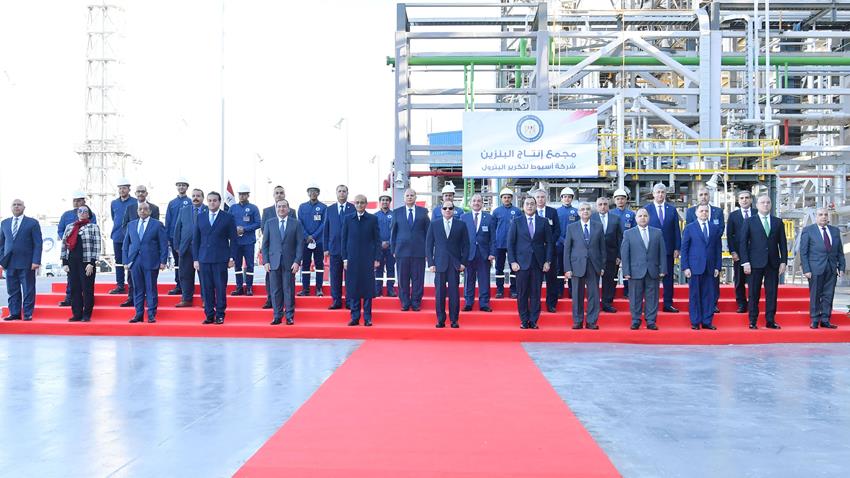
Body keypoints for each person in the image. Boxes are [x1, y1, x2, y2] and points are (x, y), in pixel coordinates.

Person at [740, 195, 787, 329]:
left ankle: (770, 320)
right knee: (753, 293)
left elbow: (782, 243)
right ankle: (752, 320)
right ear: (757, 205)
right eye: (762, 202)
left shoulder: (778, 222)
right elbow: (743, 243)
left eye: (768, 202)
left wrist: (783, 261)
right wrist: (745, 262)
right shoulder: (749, 221)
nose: (765, 204)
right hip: (754, 263)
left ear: (771, 204)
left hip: (773, 263)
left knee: (772, 293)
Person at [507, 197, 553, 329]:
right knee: (522, 293)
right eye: (527, 204)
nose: (530, 206)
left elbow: (549, 243)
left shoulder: (543, 221)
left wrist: (547, 261)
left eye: (532, 204)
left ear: (536, 206)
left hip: (538, 263)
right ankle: (523, 320)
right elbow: (510, 243)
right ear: (523, 206)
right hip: (521, 264)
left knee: (535, 293)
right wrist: (512, 261)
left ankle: (533, 320)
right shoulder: (516, 221)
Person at [193, 192, 238, 325]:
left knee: (220, 288)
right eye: (210, 200)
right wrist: (195, 259)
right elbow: (196, 239)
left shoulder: (228, 217)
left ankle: (220, 314)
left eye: (214, 200)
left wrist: (232, 257)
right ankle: (209, 314)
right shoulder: (200, 217)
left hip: (221, 258)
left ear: (219, 202)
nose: (212, 203)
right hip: (204, 258)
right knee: (206, 288)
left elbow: (234, 239)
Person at [123, 202, 168, 323]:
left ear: (150, 211)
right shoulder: (131, 225)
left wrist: (163, 261)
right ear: (137, 211)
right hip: (135, 261)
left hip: (151, 260)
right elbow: (126, 244)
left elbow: (163, 244)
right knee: (137, 288)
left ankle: (151, 314)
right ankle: (138, 314)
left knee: (151, 288)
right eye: (140, 209)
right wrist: (125, 261)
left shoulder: (157, 225)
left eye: (145, 209)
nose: (142, 211)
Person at [799, 207, 845, 329]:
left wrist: (841, 267)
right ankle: (814, 319)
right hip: (815, 269)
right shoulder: (808, 230)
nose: (823, 217)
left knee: (828, 295)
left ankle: (825, 319)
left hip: (831, 268)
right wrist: (806, 269)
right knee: (815, 294)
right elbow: (803, 252)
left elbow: (840, 252)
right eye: (820, 214)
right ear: (816, 217)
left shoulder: (835, 231)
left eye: (825, 214)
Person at [621, 209, 666, 330]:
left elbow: (662, 252)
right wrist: (626, 271)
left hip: (653, 270)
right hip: (635, 271)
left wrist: (663, 269)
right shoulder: (628, 233)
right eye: (640, 216)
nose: (643, 218)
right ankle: (636, 320)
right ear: (636, 219)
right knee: (635, 297)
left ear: (649, 218)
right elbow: (625, 254)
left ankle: (651, 321)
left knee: (652, 296)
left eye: (645, 215)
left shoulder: (657, 233)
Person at [426, 200, 469, 328]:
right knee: (439, 294)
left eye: (450, 208)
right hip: (439, 264)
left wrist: (463, 263)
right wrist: (431, 263)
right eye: (445, 208)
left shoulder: (461, 225)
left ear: (454, 210)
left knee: (454, 294)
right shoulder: (434, 224)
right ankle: (440, 320)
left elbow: (466, 245)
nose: (448, 210)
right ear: (441, 210)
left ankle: (454, 320)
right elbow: (429, 245)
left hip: (455, 264)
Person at [564, 202, 606, 330]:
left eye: (587, 209)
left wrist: (602, 266)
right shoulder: (571, 227)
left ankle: (591, 321)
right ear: (578, 212)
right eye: (582, 209)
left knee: (594, 294)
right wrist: (567, 268)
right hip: (577, 265)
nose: (585, 211)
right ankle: (577, 320)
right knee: (577, 294)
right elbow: (567, 249)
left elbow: (602, 248)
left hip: (594, 265)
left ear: (591, 212)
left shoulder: (598, 227)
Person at [261, 199, 303, 325]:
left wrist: (297, 261)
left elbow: (300, 244)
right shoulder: (269, 223)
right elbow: (265, 245)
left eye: (284, 206)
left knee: (288, 290)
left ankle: (289, 316)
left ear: (288, 209)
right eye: (279, 207)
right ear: (276, 208)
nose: (281, 209)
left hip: (290, 263)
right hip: (273, 262)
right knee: (275, 290)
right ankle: (277, 316)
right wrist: (265, 261)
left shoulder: (296, 224)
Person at [681, 204, 723, 330]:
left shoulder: (714, 228)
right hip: (694, 267)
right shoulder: (689, 228)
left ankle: (707, 321)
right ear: (696, 213)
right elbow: (684, 248)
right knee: (695, 295)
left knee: (709, 296)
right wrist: (685, 267)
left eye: (706, 211)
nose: (704, 213)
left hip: (710, 267)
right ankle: (695, 321)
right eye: (701, 211)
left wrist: (718, 267)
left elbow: (718, 248)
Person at [0, 199, 42, 321]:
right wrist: (2, 260)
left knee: (28, 289)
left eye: (19, 205)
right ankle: (14, 313)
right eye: (14, 205)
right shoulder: (4, 223)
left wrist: (36, 261)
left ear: (24, 207)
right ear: (11, 207)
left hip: (27, 263)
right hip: (9, 263)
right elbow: (1, 244)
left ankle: (28, 313)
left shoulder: (32, 223)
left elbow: (38, 243)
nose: (16, 206)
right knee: (12, 289)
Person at [342, 195, 381, 326]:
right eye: (357, 202)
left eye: (362, 203)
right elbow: (343, 240)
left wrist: (377, 258)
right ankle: (355, 317)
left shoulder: (372, 219)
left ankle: (368, 318)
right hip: (352, 259)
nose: (359, 205)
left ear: (366, 204)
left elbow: (377, 240)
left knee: (368, 289)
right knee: (353, 288)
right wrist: (345, 258)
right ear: (354, 204)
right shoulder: (348, 219)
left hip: (368, 259)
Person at [685, 186, 725, 313]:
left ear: (709, 196)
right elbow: (688, 236)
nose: (703, 197)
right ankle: (698, 312)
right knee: (696, 289)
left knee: (713, 285)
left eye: (706, 194)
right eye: (701, 194)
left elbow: (720, 230)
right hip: (696, 258)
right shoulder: (690, 212)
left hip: (711, 254)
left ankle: (713, 305)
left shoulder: (718, 211)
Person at [120, 185, 160, 308]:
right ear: (135, 193)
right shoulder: (130, 207)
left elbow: (155, 228)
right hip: (133, 251)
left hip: (148, 252)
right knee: (132, 278)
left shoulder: (154, 208)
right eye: (138, 191)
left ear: (146, 193)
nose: (141, 193)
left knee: (150, 282)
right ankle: (131, 298)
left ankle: (149, 304)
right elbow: (125, 226)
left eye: (143, 191)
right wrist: (133, 240)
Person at [643, 183, 681, 313]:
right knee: (650, 277)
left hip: (668, 249)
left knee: (668, 277)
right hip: (651, 249)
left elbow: (676, 229)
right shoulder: (646, 209)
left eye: (662, 192)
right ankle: (649, 304)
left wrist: (677, 247)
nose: (660, 194)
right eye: (658, 192)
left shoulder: (672, 209)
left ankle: (668, 304)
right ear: (653, 194)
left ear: (665, 194)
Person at [60, 205, 101, 322]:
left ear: (89, 214)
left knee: (87, 288)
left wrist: (92, 262)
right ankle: (76, 314)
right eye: (80, 211)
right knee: (74, 288)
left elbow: (97, 246)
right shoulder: (70, 226)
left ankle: (87, 314)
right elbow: (64, 244)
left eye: (85, 211)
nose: (82, 213)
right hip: (72, 262)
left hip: (86, 262)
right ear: (77, 213)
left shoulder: (93, 227)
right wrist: (64, 262)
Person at [391, 188, 429, 311]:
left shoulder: (423, 212)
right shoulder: (397, 212)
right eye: (407, 195)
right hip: (401, 251)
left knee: (418, 279)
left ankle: (416, 302)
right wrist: (393, 250)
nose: (409, 197)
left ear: (415, 197)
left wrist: (428, 251)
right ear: (404, 197)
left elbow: (428, 233)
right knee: (403, 279)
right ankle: (405, 302)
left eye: (412, 195)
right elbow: (393, 233)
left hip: (419, 251)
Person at [57, 191, 97, 306]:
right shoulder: (66, 215)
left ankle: (86, 301)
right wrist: (68, 240)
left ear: (84, 201)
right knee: (71, 276)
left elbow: (93, 232)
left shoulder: (90, 214)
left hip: (85, 251)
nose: (76, 203)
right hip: (71, 250)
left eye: (79, 200)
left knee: (86, 278)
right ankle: (69, 298)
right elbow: (60, 230)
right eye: (74, 200)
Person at [260, 186, 295, 308]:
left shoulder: (292, 211)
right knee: (271, 278)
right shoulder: (267, 211)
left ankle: (287, 302)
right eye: (277, 193)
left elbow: (294, 231)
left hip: (287, 252)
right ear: (273, 195)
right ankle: (270, 300)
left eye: (281, 193)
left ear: (284, 194)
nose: (279, 195)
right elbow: (263, 229)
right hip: (272, 251)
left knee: (287, 281)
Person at [173, 189, 207, 307]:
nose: (195, 198)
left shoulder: (208, 210)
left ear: (203, 198)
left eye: (198, 196)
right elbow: (177, 228)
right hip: (186, 248)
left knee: (204, 276)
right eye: (193, 196)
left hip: (202, 249)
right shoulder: (183, 210)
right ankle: (186, 299)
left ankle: (206, 300)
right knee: (185, 275)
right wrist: (177, 246)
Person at [324, 184, 356, 310]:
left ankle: (349, 301)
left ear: (347, 193)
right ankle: (336, 300)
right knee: (335, 276)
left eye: (344, 191)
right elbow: (326, 229)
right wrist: (326, 248)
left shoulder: (353, 208)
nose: (342, 193)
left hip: (350, 249)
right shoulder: (330, 209)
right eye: (339, 191)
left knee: (350, 277)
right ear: (336, 193)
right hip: (334, 248)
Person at [461, 193, 494, 312]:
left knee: (484, 279)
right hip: (468, 253)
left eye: (479, 201)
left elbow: (493, 238)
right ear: (470, 203)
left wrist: (492, 253)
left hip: (484, 254)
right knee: (468, 278)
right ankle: (468, 302)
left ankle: (484, 303)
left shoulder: (489, 218)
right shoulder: (464, 217)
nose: (476, 203)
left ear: (482, 203)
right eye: (474, 201)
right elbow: (460, 238)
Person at [591, 196, 622, 313]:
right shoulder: (591, 218)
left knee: (609, 280)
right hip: (594, 255)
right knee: (592, 280)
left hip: (611, 255)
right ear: (596, 206)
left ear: (609, 206)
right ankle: (593, 304)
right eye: (600, 204)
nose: (603, 207)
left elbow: (620, 238)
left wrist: (619, 255)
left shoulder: (616, 219)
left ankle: (607, 303)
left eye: (605, 204)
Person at [228, 184, 261, 296]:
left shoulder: (253, 208)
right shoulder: (233, 208)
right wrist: (234, 230)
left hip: (248, 241)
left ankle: (249, 287)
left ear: (248, 195)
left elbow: (258, 223)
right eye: (240, 194)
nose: (242, 196)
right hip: (236, 241)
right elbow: (228, 222)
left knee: (250, 265)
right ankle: (239, 287)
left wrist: (244, 229)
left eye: (244, 194)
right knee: (237, 265)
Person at [726, 190, 754, 313]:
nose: (744, 200)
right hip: (739, 253)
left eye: (747, 197)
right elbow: (729, 235)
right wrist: (732, 251)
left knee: (754, 280)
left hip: (755, 253)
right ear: (738, 200)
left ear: (751, 200)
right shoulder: (733, 215)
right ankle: (741, 304)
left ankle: (753, 303)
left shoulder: (757, 213)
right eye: (742, 198)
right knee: (739, 280)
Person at [490, 188, 521, 299]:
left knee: (514, 268)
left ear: (511, 198)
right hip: (500, 244)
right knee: (499, 268)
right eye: (504, 197)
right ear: (501, 199)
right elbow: (492, 229)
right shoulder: (496, 211)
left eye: (508, 197)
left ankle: (514, 290)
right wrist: (493, 244)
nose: (506, 199)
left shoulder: (517, 211)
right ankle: (499, 290)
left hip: (514, 244)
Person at [533, 188, 561, 313]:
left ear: (546, 198)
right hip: (535, 252)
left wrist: (549, 242)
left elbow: (557, 230)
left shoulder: (552, 212)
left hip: (550, 250)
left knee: (551, 279)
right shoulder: (530, 211)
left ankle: (551, 304)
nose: (540, 199)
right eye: (538, 197)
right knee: (535, 280)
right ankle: (535, 304)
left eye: (542, 197)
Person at [297, 184, 327, 296]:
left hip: (319, 241)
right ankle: (305, 289)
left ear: (318, 193)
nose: (313, 193)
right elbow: (299, 222)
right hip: (305, 241)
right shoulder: (302, 207)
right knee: (305, 264)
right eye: (310, 191)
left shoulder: (324, 207)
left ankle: (319, 289)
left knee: (319, 265)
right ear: (308, 193)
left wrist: (313, 236)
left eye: (315, 191)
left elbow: (324, 224)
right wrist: (307, 236)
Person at [108, 178, 136, 295]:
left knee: (131, 261)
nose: (122, 190)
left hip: (131, 237)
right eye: (120, 188)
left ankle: (132, 285)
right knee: (118, 261)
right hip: (117, 235)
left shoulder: (135, 202)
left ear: (129, 189)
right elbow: (114, 218)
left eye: (124, 188)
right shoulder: (114, 203)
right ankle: (120, 285)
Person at [164, 177, 191, 296]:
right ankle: (178, 285)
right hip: (174, 237)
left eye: (183, 185)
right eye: (179, 185)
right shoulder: (172, 203)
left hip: (187, 238)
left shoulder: (190, 201)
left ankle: (187, 286)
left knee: (187, 263)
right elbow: (168, 221)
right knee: (177, 262)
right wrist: (167, 238)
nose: (181, 187)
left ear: (187, 187)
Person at [610, 188, 635, 298]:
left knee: (628, 270)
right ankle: (611, 293)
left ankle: (628, 292)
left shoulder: (631, 214)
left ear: (626, 200)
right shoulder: (610, 214)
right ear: (614, 200)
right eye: (618, 199)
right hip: (614, 247)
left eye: (622, 199)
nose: (620, 201)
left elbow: (635, 230)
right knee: (612, 271)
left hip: (629, 246)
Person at [556, 187, 579, 299]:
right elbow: (555, 229)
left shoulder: (577, 212)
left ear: (572, 198)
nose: (567, 199)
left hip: (573, 245)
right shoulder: (556, 212)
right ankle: (559, 291)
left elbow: (579, 228)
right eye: (565, 197)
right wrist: (562, 240)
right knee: (559, 268)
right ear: (561, 198)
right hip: (559, 245)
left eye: (569, 197)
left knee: (572, 268)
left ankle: (572, 291)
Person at [374, 193, 396, 297]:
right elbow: (373, 232)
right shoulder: (375, 216)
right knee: (378, 268)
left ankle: (390, 290)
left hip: (391, 247)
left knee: (390, 268)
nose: (385, 202)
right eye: (383, 200)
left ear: (390, 202)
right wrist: (380, 243)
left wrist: (389, 242)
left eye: (387, 200)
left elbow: (395, 231)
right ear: (380, 202)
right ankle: (377, 290)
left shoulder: (394, 215)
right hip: (378, 248)